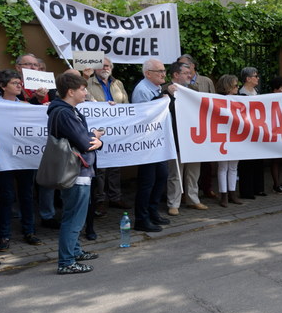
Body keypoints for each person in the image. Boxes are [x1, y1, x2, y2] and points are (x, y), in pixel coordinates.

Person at [47, 72, 103, 274]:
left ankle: (75, 251)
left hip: (79, 171)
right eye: (82, 89)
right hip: (75, 172)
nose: (86, 92)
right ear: (70, 92)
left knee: (76, 215)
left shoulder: (68, 111)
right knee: (74, 217)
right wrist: (96, 139)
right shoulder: (64, 113)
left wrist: (93, 139)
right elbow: (83, 143)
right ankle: (66, 262)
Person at [0, 70, 43, 251]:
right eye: (14, 83)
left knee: (27, 195)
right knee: (6, 197)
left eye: (19, 82)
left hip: (24, 157)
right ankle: (4, 236)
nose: (19, 85)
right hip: (4, 158)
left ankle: (29, 231)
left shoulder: (25, 104)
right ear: (3, 86)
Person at [86, 57, 132, 216]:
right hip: (98, 131)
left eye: (108, 65)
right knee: (100, 169)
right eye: (102, 65)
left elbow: (126, 103)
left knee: (115, 167)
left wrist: (117, 107)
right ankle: (100, 200)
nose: (105, 68)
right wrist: (105, 106)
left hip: (116, 131)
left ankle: (115, 197)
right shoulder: (88, 83)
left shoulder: (117, 83)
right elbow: (85, 102)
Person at [131, 59, 173, 232]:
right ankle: (141, 219)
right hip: (147, 143)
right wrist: (161, 98)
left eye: (164, 70)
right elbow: (145, 115)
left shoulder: (155, 87)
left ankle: (152, 211)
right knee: (147, 181)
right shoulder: (142, 89)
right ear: (148, 73)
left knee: (161, 176)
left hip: (158, 141)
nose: (163, 74)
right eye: (159, 71)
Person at [165, 61, 209, 214]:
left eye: (189, 72)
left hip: (194, 138)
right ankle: (173, 203)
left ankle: (193, 199)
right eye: (186, 73)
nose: (190, 75)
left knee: (193, 172)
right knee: (176, 173)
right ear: (176, 75)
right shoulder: (166, 90)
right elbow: (162, 110)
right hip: (177, 138)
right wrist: (169, 96)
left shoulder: (194, 90)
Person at [237, 66, 267, 199]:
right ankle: (246, 191)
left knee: (258, 161)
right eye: (255, 76)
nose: (258, 78)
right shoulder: (240, 94)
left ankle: (258, 188)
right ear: (248, 79)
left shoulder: (257, 93)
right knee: (246, 163)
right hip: (245, 134)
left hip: (257, 132)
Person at [214, 75, 243, 206]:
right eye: (235, 85)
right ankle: (223, 194)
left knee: (233, 167)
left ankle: (232, 193)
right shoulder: (217, 100)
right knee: (223, 166)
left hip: (235, 135)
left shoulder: (239, 99)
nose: (238, 88)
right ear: (228, 87)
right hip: (222, 135)